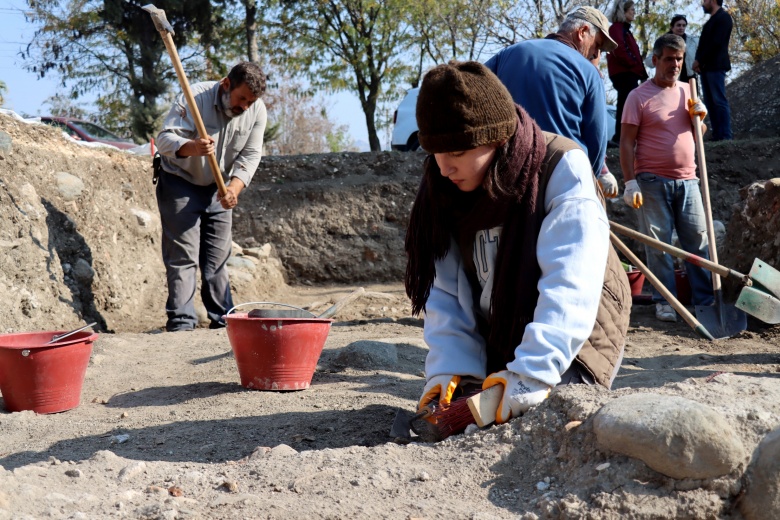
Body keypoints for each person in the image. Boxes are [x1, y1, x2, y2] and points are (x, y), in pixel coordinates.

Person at [405, 61, 631, 424]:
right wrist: (450, 370)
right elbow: (447, 293)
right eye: (435, 154)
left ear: (494, 138)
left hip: (582, 328)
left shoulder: (562, 168)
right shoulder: (442, 189)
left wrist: (533, 372)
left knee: (546, 409)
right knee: (467, 408)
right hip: (504, 328)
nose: (444, 168)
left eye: (457, 153)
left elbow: (569, 283)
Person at [155, 62, 267, 332]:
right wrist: (191, 147)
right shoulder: (195, 98)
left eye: (251, 102)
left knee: (217, 260)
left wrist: (234, 189)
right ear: (226, 84)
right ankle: (182, 323)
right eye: (242, 99)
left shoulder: (256, 111)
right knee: (183, 257)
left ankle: (223, 322)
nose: (245, 107)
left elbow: (251, 155)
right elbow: (164, 140)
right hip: (179, 182)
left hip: (219, 188)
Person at [620, 34, 714, 322]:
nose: (675, 64)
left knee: (698, 242)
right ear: (655, 60)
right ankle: (664, 300)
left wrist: (701, 119)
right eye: (669, 58)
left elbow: (698, 136)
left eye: (679, 59)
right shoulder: (638, 97)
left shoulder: (690, 92)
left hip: (689, 180)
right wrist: (630, 181)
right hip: (651, 181)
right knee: (658, 243)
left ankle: (706, 300)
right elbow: (626, 142)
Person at [484, 6, 617, 191]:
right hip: (563, 178)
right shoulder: (589, 73)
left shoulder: (509, 53)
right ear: (582, 32)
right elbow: (596, 144)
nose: (596, 54)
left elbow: (473, 89)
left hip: (509, 175)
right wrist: (586, 182)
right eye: (597, 45)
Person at [607, 0, 648, 145]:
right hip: (623, 73)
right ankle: (621, 138)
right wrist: (632, 64)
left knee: (628, 105)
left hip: (629, 73)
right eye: (631, 9)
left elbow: (634, 53)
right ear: (623, 12)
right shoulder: (616, 28)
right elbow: (619, 50)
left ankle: (624, 138)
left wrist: (642, 73)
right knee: (627, 105)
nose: (634, 12)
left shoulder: (625, 30)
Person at [693, 0, 733, 141]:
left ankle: (725, 136)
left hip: (716, 66)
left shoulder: (724, 18)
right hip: (706, 67)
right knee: (710, 102)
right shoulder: (711, 22)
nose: (702, 4)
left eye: (704, 0)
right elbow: (704, 44)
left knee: (718, 101)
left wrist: (699, 60)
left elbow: (716, 43)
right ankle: (718, 135)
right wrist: (698, 61)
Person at [669, 14, 698, 84]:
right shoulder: (664, 42)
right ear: (672, 27)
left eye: (683, 25)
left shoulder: (693, 40)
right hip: (672, 79)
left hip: (691, 78)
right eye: (678, 25)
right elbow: (650, 61)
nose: (681, 28)